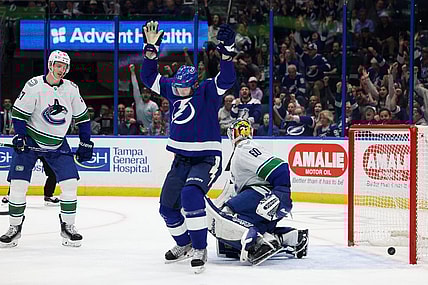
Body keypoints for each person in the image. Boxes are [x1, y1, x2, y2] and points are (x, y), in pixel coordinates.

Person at [140, 21, 236, 273]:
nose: (178, 90)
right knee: (167, 207)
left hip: (205, 158)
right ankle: (184, 244)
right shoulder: (173, 89)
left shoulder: (206, 91)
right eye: (177, 87)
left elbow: (227, 78)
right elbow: (148, 77)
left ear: (194, 84)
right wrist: (151, 50)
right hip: (180, 159)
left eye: (183, 87)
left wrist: (226, 52)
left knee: (191, 195)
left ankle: (199, 247)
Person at [0, 50, 94, 248]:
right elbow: (19, 115)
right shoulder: (34, 86)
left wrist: (86, 141)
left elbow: (83, 118)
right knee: (18, 186)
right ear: (50, 65)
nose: (61, 70)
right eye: (58, 65)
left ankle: (68, 227)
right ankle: (14, 228)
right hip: (31, 140)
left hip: (58, 141)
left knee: (69, 184)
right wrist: (20, 136)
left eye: (64, 67)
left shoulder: (71, 89)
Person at [206, 118, 308, 265]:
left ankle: (261, 242)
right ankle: (287, 237)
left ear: (232, 134)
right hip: (261, 203)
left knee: (225, 218)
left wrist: (281, 193)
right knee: (235, 231)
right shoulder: (241, 151)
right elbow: (230, 192)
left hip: (264, 197)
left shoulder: (244, 147)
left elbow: (280, 168)